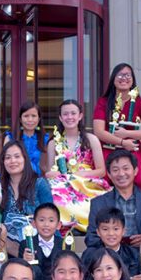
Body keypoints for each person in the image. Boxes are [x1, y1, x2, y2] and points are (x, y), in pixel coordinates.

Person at [45, 99, 109, 232]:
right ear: (60, 118)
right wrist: (53, 174)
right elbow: (49, 171)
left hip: (86, 181)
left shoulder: (91, 139)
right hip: (63, 182)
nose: (70, 117)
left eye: (73, 113)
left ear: (80, 116)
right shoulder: (53, 143)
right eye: (66, 114)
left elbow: (102, 171)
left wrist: (83, 174)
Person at [92, 63, 141, 188]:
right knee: (105, 183)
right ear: (113, 79)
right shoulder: (103, 102)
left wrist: (126, 134)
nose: (124, 78)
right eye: (120, 75)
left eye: (128, 75)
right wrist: (121, 142)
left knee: (136, 180)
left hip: (132, 150)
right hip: (107, 150)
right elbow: (99, 131)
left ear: (132, 80)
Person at [85, 149, 141, 250]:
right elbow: (91, 238)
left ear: (135, 171)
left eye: (126, 168)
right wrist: (113, 241)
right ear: (109, 174)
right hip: (112, 257)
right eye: (115, 170)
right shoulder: (98, 203)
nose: (121, 174)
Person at [0, 139, 53, 256]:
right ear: (3, 162)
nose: (12, 161)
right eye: (7, 158)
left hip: (36, 246)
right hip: (7, 248)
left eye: (17, 156)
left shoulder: (39, 184)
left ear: (25, 159)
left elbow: (51, 216)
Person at [19, 202, 63, 280]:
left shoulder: (64, 244)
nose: (46, 224)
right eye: (42, 220)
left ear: (58, 225)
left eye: (51, 220)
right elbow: (20, 271)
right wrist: (25, 262)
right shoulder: (26, 244)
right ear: (33, 223)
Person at [4, 101, 46, 176]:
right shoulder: (10, 138)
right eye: (26, 116)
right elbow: (4, 162)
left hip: (38, 181)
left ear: (39, 119)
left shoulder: (45, 139)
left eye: (33, 116)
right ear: (20, 119)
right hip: (15, 180)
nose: (30, 120)